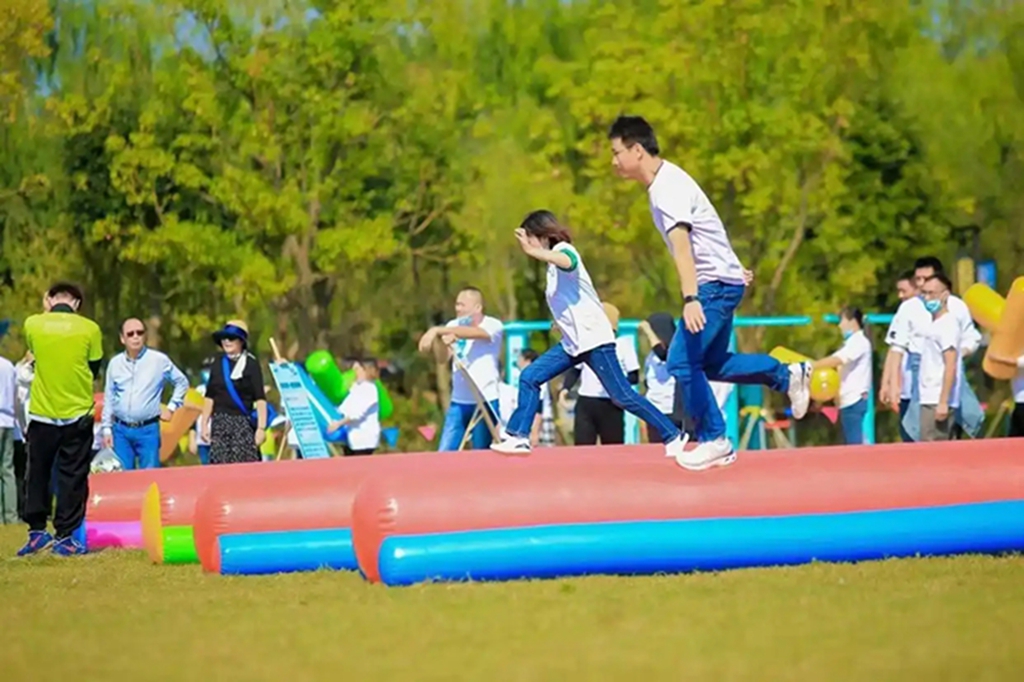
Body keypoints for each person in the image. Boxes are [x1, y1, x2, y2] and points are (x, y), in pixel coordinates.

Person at [608, 115, 810, 469]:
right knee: (713, 364)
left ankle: (715, 438)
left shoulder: (666, 188)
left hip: (712, 287)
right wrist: (732, 267)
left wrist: (692, 298)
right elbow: (710, 228)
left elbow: (684, 247)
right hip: (721, 280)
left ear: (637, 150)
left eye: (616, 153)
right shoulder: (670, 179)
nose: (613, 162)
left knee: (681, 362)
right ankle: (787, 374)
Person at [491, 210, 687, 458]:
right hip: (573, 343)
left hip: (594, 341)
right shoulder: (551, 267)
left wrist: (533, 252)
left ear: (540, 235)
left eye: (528, 238)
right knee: (530, 376)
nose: (526, 245)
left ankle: (672, 435)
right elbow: (572, 300)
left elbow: (568, 262)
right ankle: (519, 437)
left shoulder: (565, 251)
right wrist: (560, 323)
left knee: (622, 395)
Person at [18, 283, 103, 556]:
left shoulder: (33, 324)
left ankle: (36, 532)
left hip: (43, 412)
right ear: (77, 303)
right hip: (77, 413)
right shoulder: (90, 328)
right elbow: (94, 368)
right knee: (73, 476)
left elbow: (37, 356)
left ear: (49, 300)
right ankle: (65, 537)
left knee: (37, 474)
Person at [418, 287, 503, 451]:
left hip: (485, 399)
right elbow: (443, 359)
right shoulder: (452, 325)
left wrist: (436, 330)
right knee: (446, 451)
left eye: (462, 305)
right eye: (457, 304)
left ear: (477, 308)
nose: (458, 309)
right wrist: (441, 342)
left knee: (481, 451)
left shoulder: (493, 325)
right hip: (459, 400)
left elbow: (476, 333)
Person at [100, 318, 189, 470]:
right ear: (122, 338)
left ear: (145, 336)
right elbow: (109, 397)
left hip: (148, 429)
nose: (136, 336)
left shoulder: (159, 360)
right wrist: (106, 429)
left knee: (150, 478)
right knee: (123, 478)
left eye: (140, 333)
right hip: (120, 430)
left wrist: (172, 407)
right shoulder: (115, 364)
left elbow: (181, 382)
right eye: (131, 333)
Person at [559, 303, 640, 446]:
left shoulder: (622, 345)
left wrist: (616, 384)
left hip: (612, 403)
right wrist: (565, 389)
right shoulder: (585, 343)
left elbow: (634, 376)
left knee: (613, 449)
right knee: (583, 448)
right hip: (586, 401)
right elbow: (575, 370)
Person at [201, 320, 267, 465]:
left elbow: (260, 398)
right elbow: (210, 395)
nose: (226, 342)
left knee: (245, 471)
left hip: (243, 425)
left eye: (231, 338)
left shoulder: (251, 364)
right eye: (224, 338)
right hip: (219, 424)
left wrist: (261, 428)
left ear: (241, 341)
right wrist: (204, 423)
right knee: (220, 470)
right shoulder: (218, 362)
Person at [812, 307, 873, 445]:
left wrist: (811, 366)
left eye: (842, 321)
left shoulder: (859, 342)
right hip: (846, 401)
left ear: (852, 321)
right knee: (850, 440)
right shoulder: (850, 343)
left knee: (854, 443)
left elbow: (837, 360)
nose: (840, 326)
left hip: (854, 400)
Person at [917, 274, 962, 441]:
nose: (927, 298)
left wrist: (943, 401)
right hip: (928, 396)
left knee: (932, 450)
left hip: (936, 399)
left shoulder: (948, 325)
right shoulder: (935, 324)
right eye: (924, 293)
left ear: (945, 295)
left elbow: (950, 364)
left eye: (932, 293)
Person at [638, 312, 689, 443]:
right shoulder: (651, 356)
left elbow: (663, 354)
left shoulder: (677, 351)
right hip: (655, 411)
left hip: (672, 411)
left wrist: (649, 331)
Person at [328, 358, 381, 456]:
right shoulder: (357, 388)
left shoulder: (369, 389)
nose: (354, 372)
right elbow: (343, 408)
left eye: (357, 369)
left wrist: (338, 424)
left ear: (366, 370)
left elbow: (357, 414)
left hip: (364, 440)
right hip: (353, 439)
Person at [986, 352, 1024, 437]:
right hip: (1019, 402)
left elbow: (1016, 362)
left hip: (1022, 401)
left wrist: (997, 358)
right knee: (1015, 437)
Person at [0, 353, 18, 524]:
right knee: (8, 470)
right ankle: (11, 516)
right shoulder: (8, 366)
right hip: (8, 421)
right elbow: (15, 394)